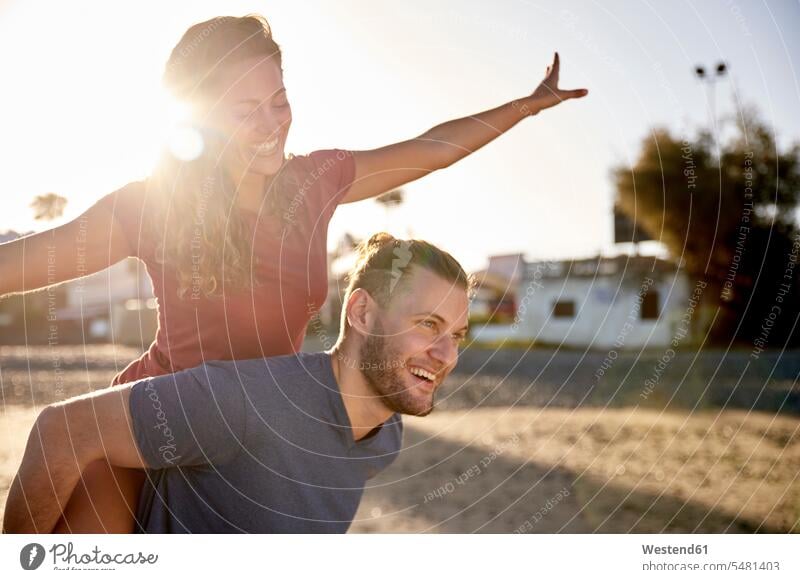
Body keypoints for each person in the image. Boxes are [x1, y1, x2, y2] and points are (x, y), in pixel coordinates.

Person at [0, 14, 586, 533]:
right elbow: (27, 261)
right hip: (152, 418)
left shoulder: (312, 184)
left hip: (252, 431)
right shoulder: (156, 204)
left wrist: (524, 106)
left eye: (278, 100)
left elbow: (428, 148)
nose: (271, 122)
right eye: (245, 110)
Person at [3, 233, 472, 533]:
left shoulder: (385, 436)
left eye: (456, 335)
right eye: (428, 325)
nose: (447, 355)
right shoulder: (248, 401)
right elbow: (62, 431)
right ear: (363, 313)